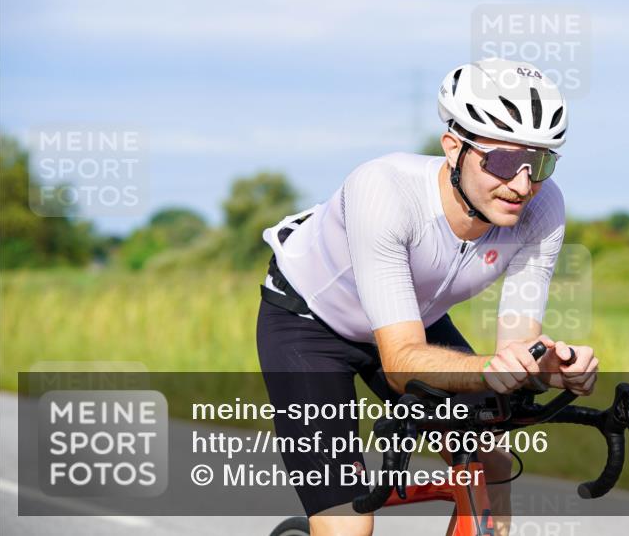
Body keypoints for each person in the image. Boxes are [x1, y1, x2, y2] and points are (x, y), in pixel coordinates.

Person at [256, 58, 599, 536]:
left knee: (492, 462)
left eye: (539, 162)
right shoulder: (384, 190)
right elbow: (400, 365)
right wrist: (488, 370)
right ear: (454, 147)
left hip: (411, 320)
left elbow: (515, 347)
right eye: (502, 160)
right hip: (309, 326)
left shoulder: (543, 208)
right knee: (349, 525)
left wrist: (551, 367)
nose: (522, 184)